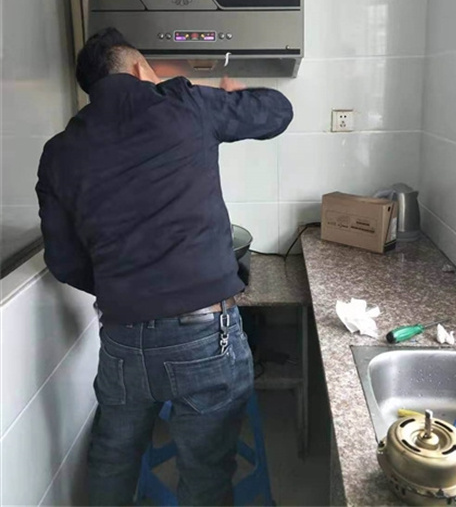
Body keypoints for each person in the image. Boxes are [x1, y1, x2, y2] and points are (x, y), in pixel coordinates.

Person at [36, 27, 293, 507]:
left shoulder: (60, 151)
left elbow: (63, 261)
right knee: (205, 471)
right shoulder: (184, 103)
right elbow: (278, 111)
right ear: (139, 69)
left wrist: (125, 288)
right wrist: (230, 95)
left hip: (122, 339)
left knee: (113, 457)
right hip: (204, 336)